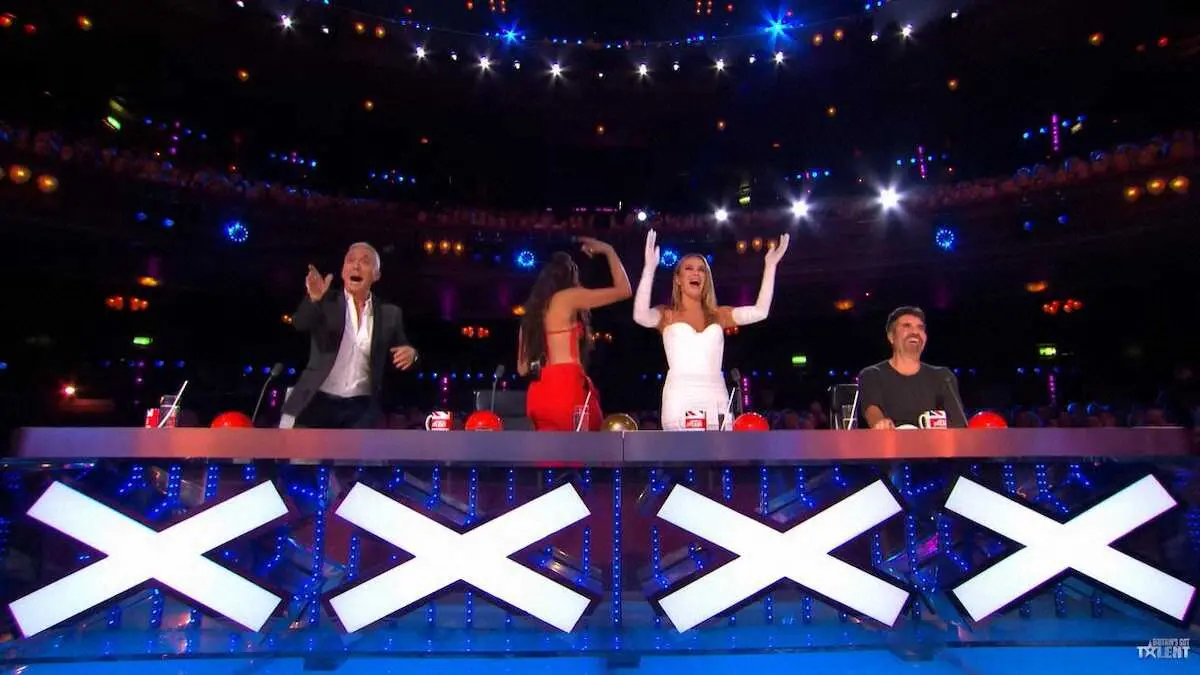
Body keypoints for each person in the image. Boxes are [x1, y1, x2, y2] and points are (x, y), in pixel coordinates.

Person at [633, 229, 789, 430]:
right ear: (678, 279)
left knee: (719, 448)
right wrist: (649, 269)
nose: (696, 273)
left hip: (716, 396)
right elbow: (640, 315)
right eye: (689, 268)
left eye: (701, 270)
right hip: (680, 396)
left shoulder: (719, 315)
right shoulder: (667, 315)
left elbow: (760, 312)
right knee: (682, 449)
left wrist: (770, 266)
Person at [280, 242, 418, 429]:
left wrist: (412, 355)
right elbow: (300, 323)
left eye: (365, 262)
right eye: (350, 261)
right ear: (343, 271)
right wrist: (314, 299)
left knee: (356, 449)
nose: (356, 266)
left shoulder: (390, 314)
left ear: (376, 275)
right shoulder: (326, 301)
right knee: (303, 448)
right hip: (316, 401)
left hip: (361, 409)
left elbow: (404, 352)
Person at [518, 238, 631, 431]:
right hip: (566, 388)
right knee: (582, 446)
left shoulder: (531, 315)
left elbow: (522, 369)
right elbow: (624, 290)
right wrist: (609, 250)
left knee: (547, 449)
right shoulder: (567, 298)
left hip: (540, 393)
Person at [857, 306, 967, 429]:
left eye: (920, 328)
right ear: (891, 336)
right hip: (889, 440)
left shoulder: (943, 376)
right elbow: (872, 410)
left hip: (933, 441)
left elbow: (958, 423)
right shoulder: (872, 375)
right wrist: (880, 423)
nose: (915, 332)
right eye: (907, 326)